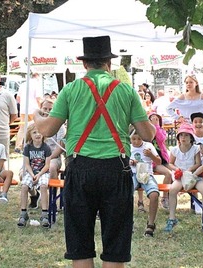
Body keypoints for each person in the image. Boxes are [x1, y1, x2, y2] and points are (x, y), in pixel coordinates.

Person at [34, 36, 155, 267]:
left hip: (80, 168)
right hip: (116, 168)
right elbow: (148, 135)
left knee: (80, 248)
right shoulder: (127, 91)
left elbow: (48, 129)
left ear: (84, 64)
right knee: (115, 248)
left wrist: (36, 116)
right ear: (109, 64)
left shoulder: (71, 90)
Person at [164, 123, 203, 233]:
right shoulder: (175, 150)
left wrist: (190, 170)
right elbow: (170, 163)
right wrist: (177, 169)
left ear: (191, 138)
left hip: (194, 176)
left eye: (186, 135)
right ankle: (172, 218)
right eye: (181, 135)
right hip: (180, 177)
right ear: (178, 138)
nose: (183, 138)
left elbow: (198, 163)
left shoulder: (195, 149)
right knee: (172, 190)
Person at [29, 99, 66, 209]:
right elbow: (27, 144)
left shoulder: (60, 126)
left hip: (53, 157)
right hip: (35, 156)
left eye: (51, 109)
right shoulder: (32, 125)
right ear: (40, 108)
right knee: (24, 173)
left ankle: (52, 199)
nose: (47, 111)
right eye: (45, 108)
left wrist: (47, 159)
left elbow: (60, 148)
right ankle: (35, 194)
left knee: (52, 167)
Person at [17, 123, 52, 228]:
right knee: (24, 186)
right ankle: (23, 213)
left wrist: (39, 174)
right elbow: (27, 164)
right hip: (31, 172)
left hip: (43, 172)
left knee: (43, 186)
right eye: (34, 132)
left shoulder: (46, 148)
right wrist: (32, 175)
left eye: (40, 132)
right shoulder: (28, 148)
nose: (38, 134)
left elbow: (47, 165)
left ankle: (44, 214)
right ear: (30, 135)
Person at [129, 128, 161, 237]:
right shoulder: (128, 147)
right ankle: (128, 223)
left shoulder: (148, 146)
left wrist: (151, 155)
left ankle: (151, 224)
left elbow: (158, 161)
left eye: (139, 139)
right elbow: (122, 161)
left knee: (154, 194)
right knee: (125, 194)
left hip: (146, 173)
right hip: (132, 173)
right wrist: (131, 162)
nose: (136, 141)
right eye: (133, 139)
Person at [15, 73, 44, 152]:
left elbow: (18, 98)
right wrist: (40, 108)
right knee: (34, 128)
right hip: (34, 109)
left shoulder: (23, 84)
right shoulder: (37, 84)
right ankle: (32, 144)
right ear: (38, 77)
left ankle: (18, 145)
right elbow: (38, 98)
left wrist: (23, 105)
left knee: (22, 128)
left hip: (23, 110)